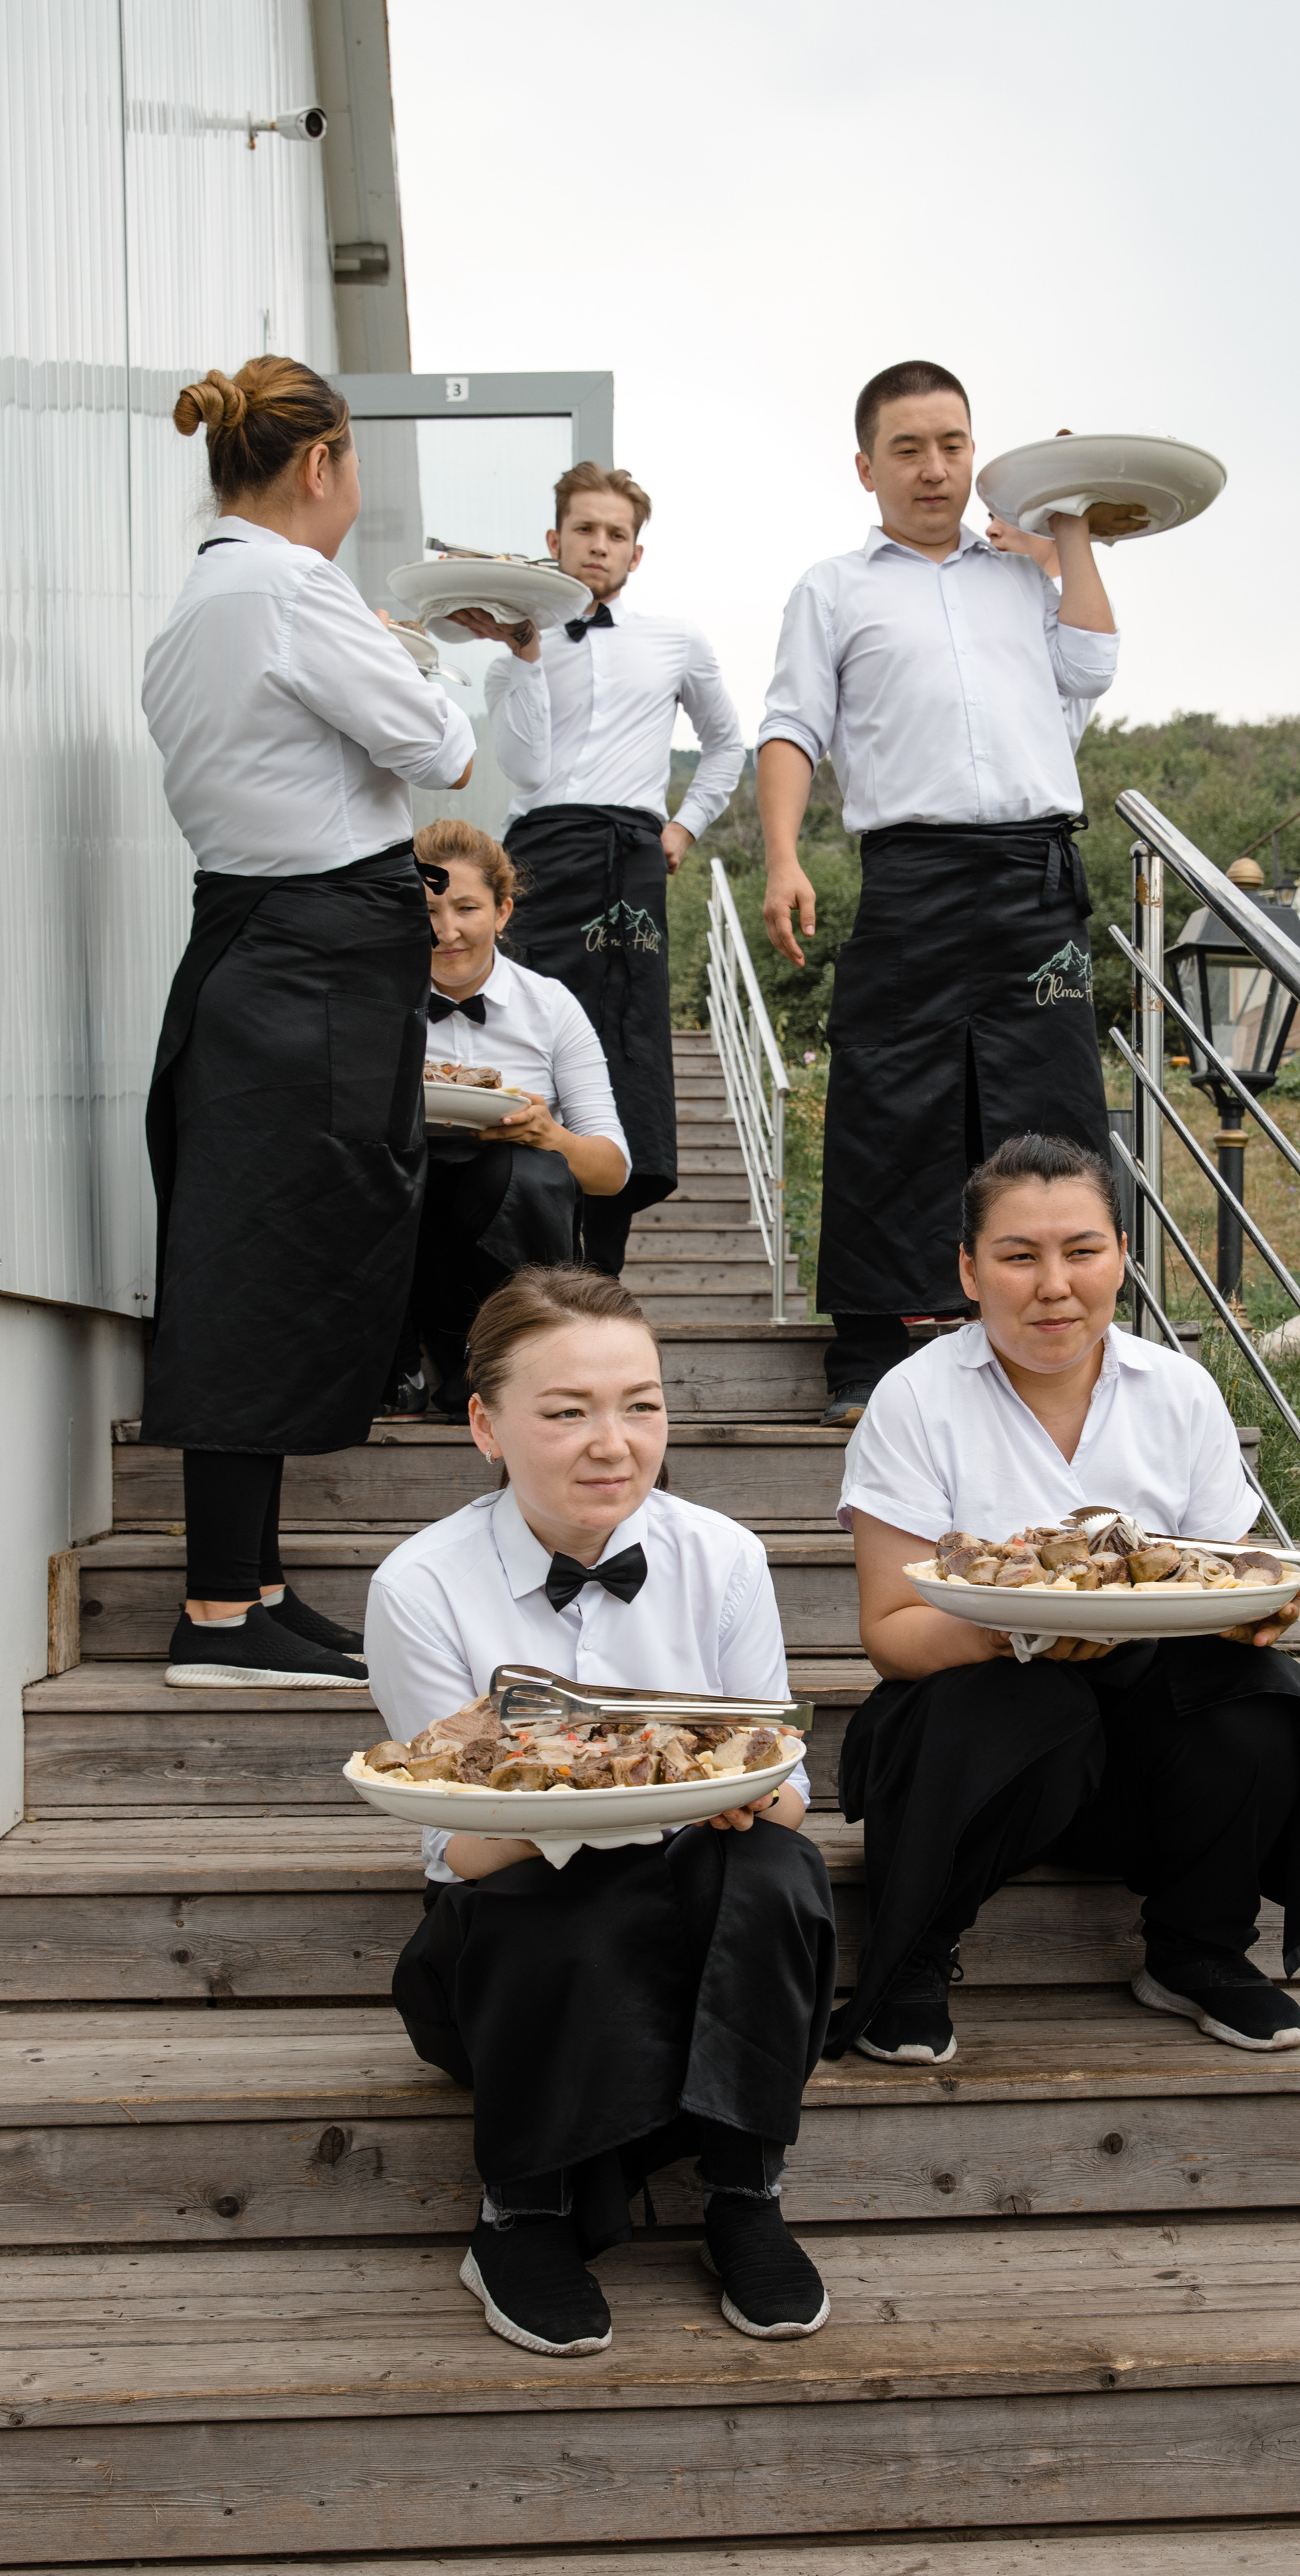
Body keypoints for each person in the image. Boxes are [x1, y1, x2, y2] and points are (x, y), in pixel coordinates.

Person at [826, 1132, 1300, 2066]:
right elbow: (892, 1632)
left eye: (1082, 1251)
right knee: (1031, 1702)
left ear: (1121, 1256)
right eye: (1018, 1256)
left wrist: (1253, 1612)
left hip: (1143, 1759)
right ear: (968, 1270)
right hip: (982, 1752)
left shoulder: (1178, 1392)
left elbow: (1220, 1574)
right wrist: (1017, 1631)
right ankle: (916, 1953)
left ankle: (1196, 1952)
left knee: (1265, 1708)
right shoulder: (915, 1400)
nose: (1054, 1285)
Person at [366, 1266, 836, 2357]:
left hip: (696, 1933)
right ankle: (519, 2212)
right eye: (567, 1412)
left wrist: (751, 1790)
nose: (613, 1442)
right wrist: (597, 1791)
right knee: (564, 1890)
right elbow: (461, 1845)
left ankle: (743, 2190)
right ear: (484, 1426)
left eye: (641, 1405)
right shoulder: (420, 1586)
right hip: (505, 1950)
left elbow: (791, 1794)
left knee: (771, 1872)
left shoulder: (720, 1555)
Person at [141, 357, 476, 1691]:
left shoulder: (195, 602)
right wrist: (410, 647)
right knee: (262, 1263)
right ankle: (221, 1609)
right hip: (309, 961)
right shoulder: (288, 588)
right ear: (322, 465)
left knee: (255, 1253)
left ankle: (254, 1586)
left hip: (251, 944)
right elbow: (441, 745)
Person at [757, 360, 1128, 1428]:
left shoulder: (1022, 571)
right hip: (911, 872)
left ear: (977, 454)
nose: (935, 469)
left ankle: (1060, 1327)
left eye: (953, 445)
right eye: (910, 449)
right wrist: (783, 856)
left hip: (1034, 872)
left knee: (1049, 1102)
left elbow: (1093, 667)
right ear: (867, 465)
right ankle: (871, 1343)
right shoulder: (833, 587)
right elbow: (792, 727)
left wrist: (1069, 529)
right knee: (890, 1094)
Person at [451, 463, 746, 1277]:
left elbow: (729, 743)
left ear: (636, 554)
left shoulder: (676, 639)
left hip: (628, 860)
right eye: (584, 529)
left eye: (616, 534)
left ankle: (601, 1271)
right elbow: (525, 764)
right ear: (554, 540)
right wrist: (523, 656)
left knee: (626, 1043)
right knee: (519, 1029)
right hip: (538, 852)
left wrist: (685, 826)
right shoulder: (517, 648)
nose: (599, 545)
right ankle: (517, 1255)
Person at [379, 820, 631, 1421]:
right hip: (402, 1223)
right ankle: (397, 1363)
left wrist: (550, 1135)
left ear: (502, 911)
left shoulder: (550, 1006)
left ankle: (533, 1364)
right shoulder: (376, 1003)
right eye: (429, 911)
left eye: (466, 907)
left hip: (507, 1223)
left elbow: (612, 1171)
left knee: (533, 1171)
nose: (447, 930)